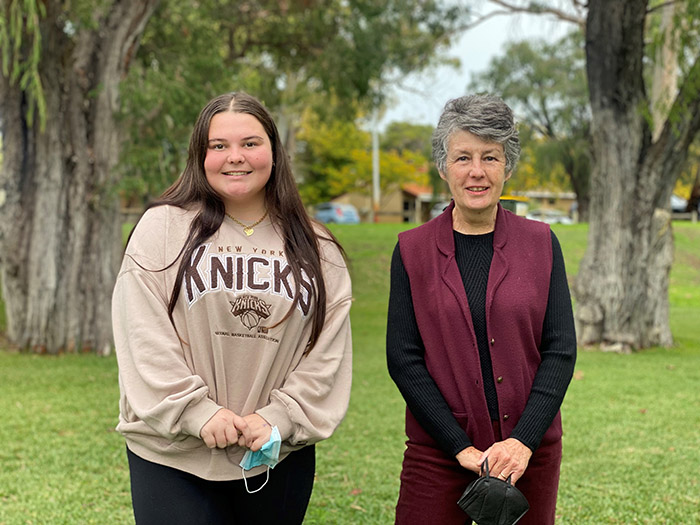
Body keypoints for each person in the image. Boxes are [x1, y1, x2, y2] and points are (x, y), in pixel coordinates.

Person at [112, 92, 353, 525]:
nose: (235, 157)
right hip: (172, 457)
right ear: (199, 155)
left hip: (274, 454)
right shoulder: (163, 228)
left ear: (274, 153)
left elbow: (327, 353)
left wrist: (279, 416)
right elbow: (141, 334)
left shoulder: (317, 246)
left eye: (250, 143)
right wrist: (198, 412)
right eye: (218, 145)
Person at [386, 94, 576, 525]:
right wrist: (460, 446)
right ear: (443, 168)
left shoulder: (542, 243)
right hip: (439, 447)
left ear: (507, 167)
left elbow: (560, 350)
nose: (476, 171)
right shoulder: (411, 251)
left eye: (490, 157)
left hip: (528, 450)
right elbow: (404, 359)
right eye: (463, 158)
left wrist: (522, 442)